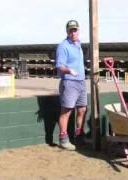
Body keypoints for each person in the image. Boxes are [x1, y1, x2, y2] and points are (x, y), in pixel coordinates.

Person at [55, 20, 87, 151]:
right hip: (69, 82)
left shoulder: (79, 44)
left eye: (75, 30)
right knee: (67, 111)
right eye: (71, 30)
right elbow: (59, 66)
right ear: (67, 32)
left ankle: (79, 136)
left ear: (79, 30)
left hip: (81, 82)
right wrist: (69, 70)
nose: (73, 32)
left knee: (82, 109)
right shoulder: (63, 46)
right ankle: (63, 139)